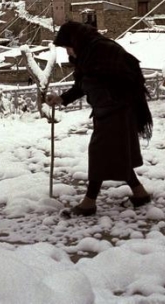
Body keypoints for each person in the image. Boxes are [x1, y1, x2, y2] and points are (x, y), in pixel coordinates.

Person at [45, 21, 153, 217]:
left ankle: (89, 202)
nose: (68, 53)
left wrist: (109, 102)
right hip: (108, 111)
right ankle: (139, 192)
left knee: (98, 153)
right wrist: (62, 98)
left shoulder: (103, 50)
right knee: (118, 153)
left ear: (75, 41)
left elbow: (123, 80)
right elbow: (83, 84)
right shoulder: (87, 53)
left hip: (117, 111)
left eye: (68, 47)